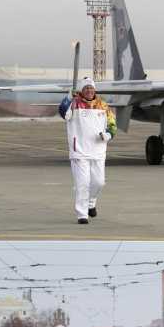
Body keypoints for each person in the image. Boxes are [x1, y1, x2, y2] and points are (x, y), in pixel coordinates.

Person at [58, 76, 117, 224]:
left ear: (94, 89)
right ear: (82, 90)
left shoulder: (103, 106)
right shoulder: (74, 104)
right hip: (79, 151)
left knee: (99, 182)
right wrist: (67, 98)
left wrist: (108, 134)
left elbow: (112, 124)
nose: (89, 90)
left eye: (91, 88)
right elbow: (63, 113)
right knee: (82, 183)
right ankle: (82, 214)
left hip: (98, 150)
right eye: (86, 88)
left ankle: (91, 202)